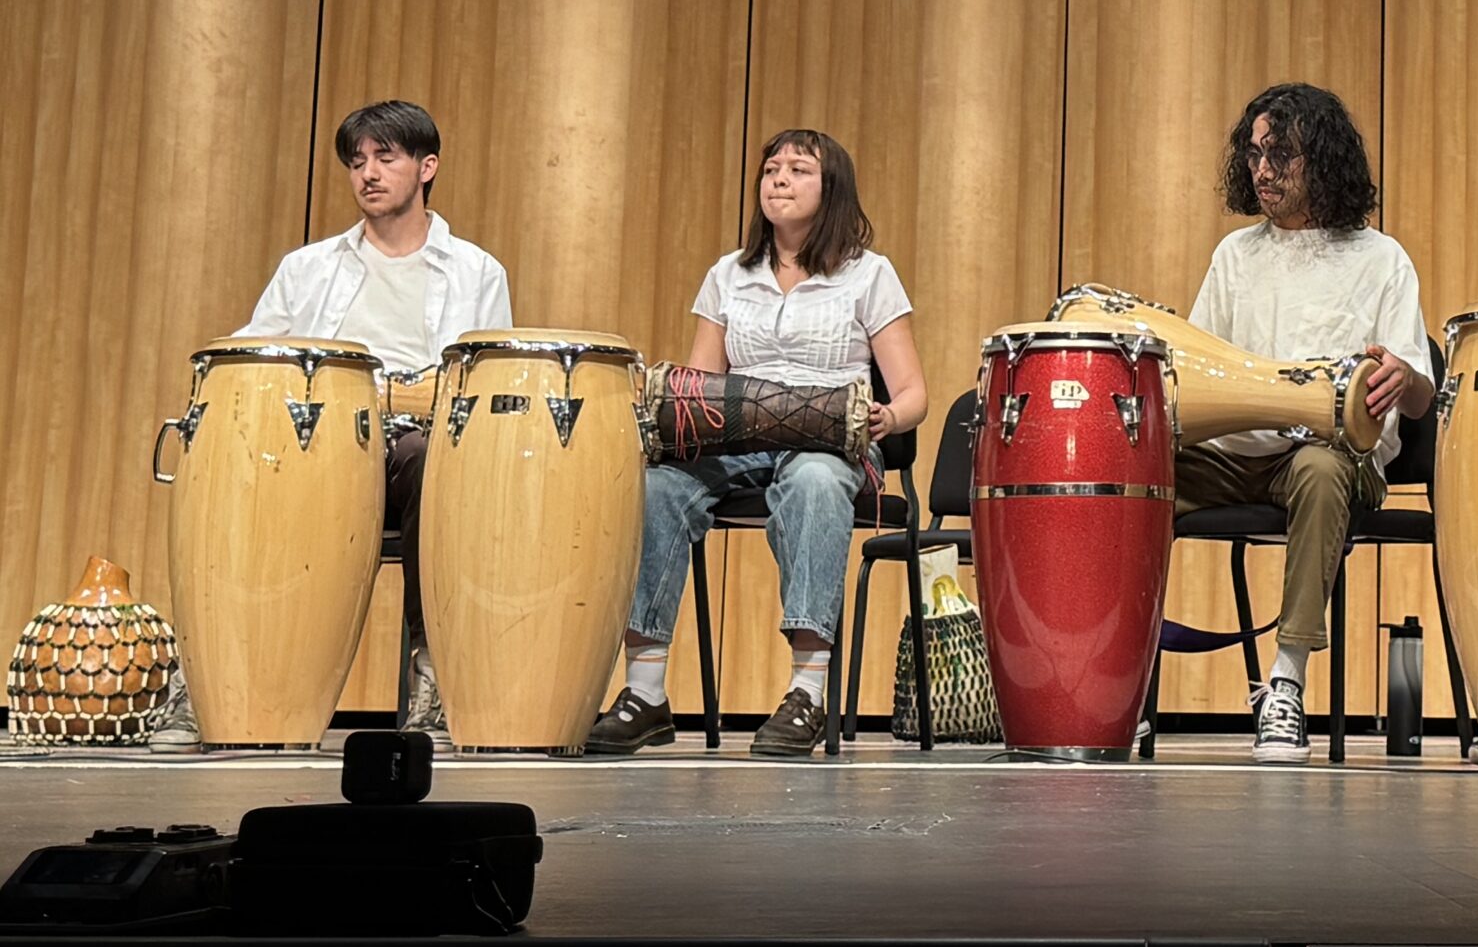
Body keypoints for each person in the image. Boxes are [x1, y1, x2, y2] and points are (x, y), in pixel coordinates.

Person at [153, 100, 512, 753]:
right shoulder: (309, 266)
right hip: (311, 438)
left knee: (435, 458)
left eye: (386, 157)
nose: (368, 173)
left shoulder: (477, 271)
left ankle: (434, 675)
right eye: (357, 161)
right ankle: (205, 678)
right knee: (229, 463)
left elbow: (480, 382)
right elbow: (254, 349)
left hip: (413, 437)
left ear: (426, 167)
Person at [587, 129, 928, 760]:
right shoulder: (728, 274)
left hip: (833, 439)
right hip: (740, 436)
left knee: (815, 481)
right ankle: (646, 693)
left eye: (799, 169)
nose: (779, 179)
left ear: (833, 190)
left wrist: (886, 417)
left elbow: (914, 395)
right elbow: (701, 385)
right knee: (658, 486)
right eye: (772, 168)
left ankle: (806, 690)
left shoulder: (868, 274)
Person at [1182, 84, 1435, 762]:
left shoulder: (1382, 259)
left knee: (1320, 467)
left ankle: (1286, 685)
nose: (1262, 170)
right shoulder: (1234, 256)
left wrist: (1403, 380)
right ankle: (1115, 671)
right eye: (1255, 153)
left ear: (1321, 160)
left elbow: (1416, 394)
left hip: (1331, 460)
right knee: (1132, 468)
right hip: (1234, 459)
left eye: (1281, 155)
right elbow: (1195, 369)